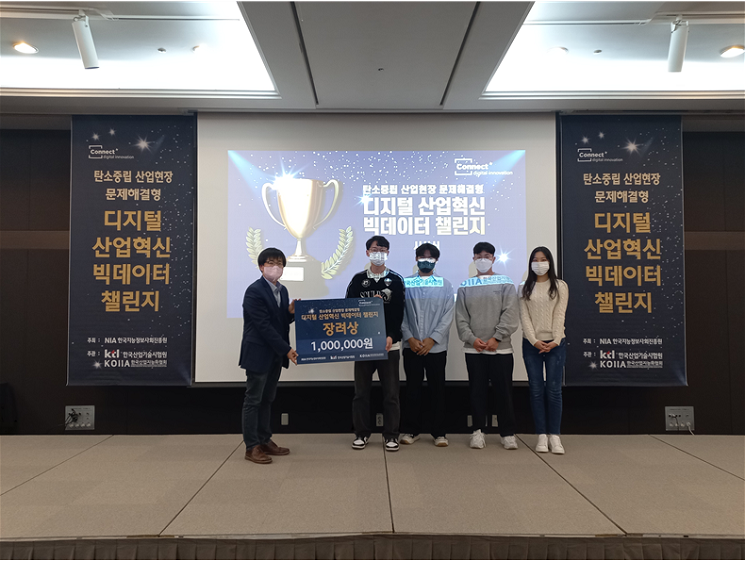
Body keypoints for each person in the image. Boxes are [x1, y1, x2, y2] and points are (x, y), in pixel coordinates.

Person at [455, 241, 519, 450]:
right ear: (473, 259)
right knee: (477, 392)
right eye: (479, 256)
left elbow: (510, 313)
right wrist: (472, 339)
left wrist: (497, 338)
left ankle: (507, 433)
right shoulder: (465, 286)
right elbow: (461, 317)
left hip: (501, 349)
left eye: (487, 256)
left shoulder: (505, 283)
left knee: (504, 392)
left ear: (493, 258)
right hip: (474, 349)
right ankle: (477, 431)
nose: (483, 259)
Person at [345, 236, 406, 452]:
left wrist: (391, 336)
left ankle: (391, 435)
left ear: (387, 253)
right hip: (363, 345)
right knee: (361, 393)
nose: (378, 252)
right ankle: (361, 433)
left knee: (391, 394)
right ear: (367, 252)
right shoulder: (357, 280)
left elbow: (399, 313)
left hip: (390, 345)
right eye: (374, 249)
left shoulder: (396, 280)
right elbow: (348, 310)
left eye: (382, 249)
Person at [239, 248, 298, 465]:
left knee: (267, 399)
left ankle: (264, 440)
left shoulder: (282, 290)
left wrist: (290, 313)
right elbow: (263, 326)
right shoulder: (254, 291)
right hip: (258, 353)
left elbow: (278, 322)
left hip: (274, 354)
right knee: (253, 400)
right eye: (271, 263)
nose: (276, 267)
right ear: (261, 267)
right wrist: (287, 350)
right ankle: (251, 446)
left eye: (280, 263)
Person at [400, 243, 455, 447]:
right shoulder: (405, 283)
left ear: (436, 260)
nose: (426, 260)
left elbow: (448, 315)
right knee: (412, 389)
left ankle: (439, 433)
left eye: (430, 257)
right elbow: (400, 313)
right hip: (412, 346)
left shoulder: (445, 285)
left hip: (436, 347)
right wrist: (409, 337)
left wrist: (433, 339)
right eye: (422, 257)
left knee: (437, 390)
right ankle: (411, 430)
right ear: (416, 259)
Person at [519, 246, 568, 455]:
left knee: (554, 390)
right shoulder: (524, 287)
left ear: (550, 262)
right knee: (536, 389)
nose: (539, 263)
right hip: (532, 345)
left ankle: (554, 435)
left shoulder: (560, 285)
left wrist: (555, 340)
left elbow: (560, 314)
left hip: (556, 344)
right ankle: (541, 435)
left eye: (543, 259)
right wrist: (534, 340)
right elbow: (525, 317)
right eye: (535, 260)